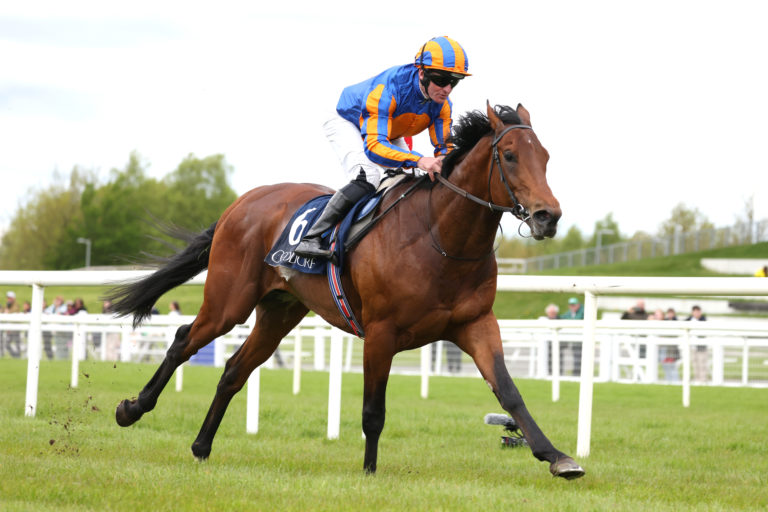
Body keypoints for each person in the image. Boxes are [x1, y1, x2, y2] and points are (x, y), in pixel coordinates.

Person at [295, 36, 471, 260]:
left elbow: (444, 148)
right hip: (347, 120)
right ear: (422, 73)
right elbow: (375, 147)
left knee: (409, 179)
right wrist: (419, 159)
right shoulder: (387, 91)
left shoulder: (442, 105)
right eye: (441, 79)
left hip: (387, 129)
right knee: (368, 176)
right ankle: (311, 237)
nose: (447, 88)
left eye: (454, 81)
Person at [686, 305, 708, 382]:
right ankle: (697, 379)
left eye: (698, 311)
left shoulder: (704, 320)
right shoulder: (688, 320)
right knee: (694, 364)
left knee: (702, 364)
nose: (696, 313)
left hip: (701, 346)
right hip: (692, 346)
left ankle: (703, 380)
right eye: (695, 311)